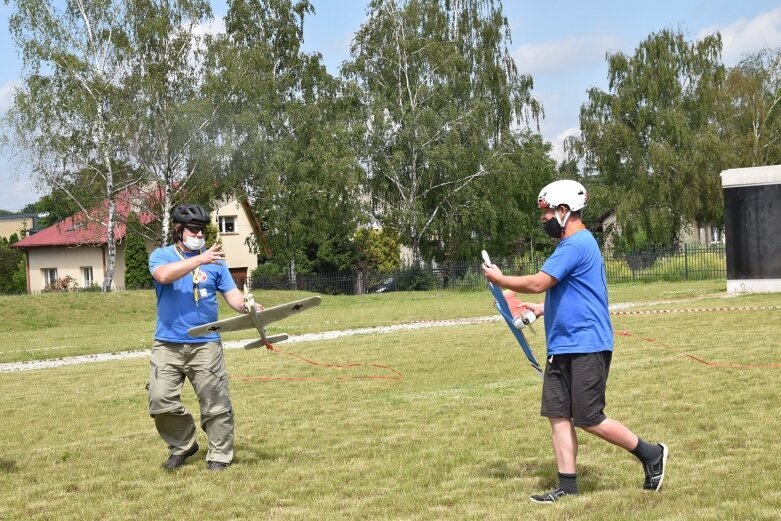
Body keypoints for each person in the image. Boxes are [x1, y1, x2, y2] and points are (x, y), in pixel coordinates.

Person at [482, 180, 668, 503]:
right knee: (558, 415)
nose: (544, 221)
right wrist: (541, 310)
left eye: (547, 214)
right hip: (562, 347)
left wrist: (500, 279)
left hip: (587, 345)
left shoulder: (577, 244)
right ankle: (567, 487)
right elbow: (570, 291)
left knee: (589, 418)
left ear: (564, 212)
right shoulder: (569, 247)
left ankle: (651, 453)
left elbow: (540, 282)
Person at [147, 204, 256, 472]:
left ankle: (219, 455)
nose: (198, 234)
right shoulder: (161, 256)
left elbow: (233, 296)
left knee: (215, 401)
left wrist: (250, 306)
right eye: (192, 229)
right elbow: (162, 276)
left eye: (201, 230)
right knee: (160, 401)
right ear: (179, 231)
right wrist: (200, 259)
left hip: (206, 343)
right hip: (168, 343)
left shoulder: (216, 262)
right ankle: (183, 445)